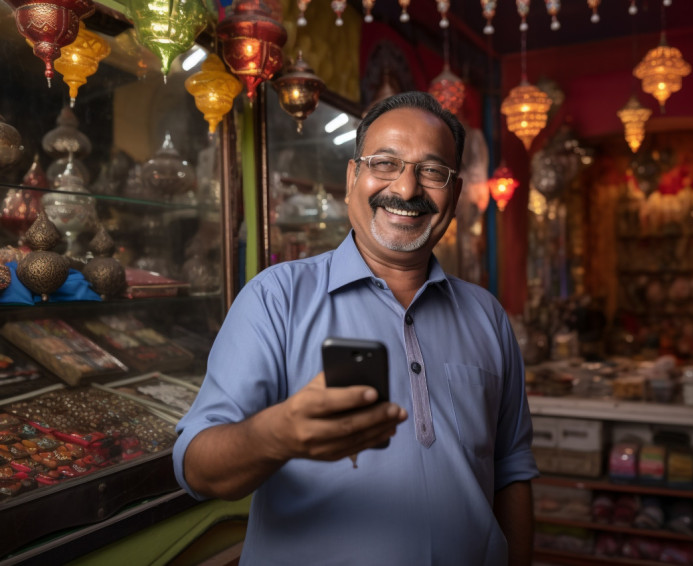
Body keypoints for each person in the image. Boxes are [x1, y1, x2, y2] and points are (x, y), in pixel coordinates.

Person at [173, 91, 538, 565]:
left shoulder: (487, 316)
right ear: (352, 178)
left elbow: (511, 470)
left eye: (431, 171)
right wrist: (274, 436)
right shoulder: (276, 299)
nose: (407, 189)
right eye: (385, 163)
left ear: (455, 190)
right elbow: (196, 467)